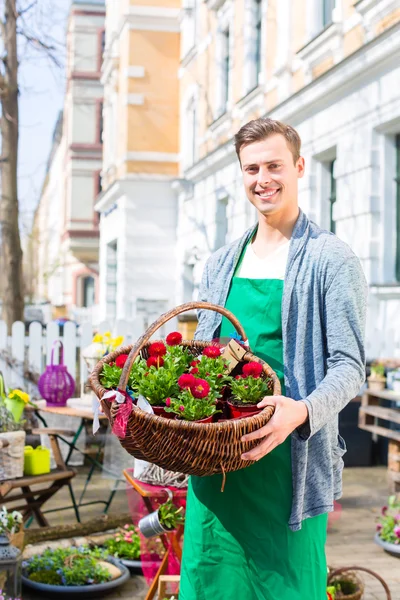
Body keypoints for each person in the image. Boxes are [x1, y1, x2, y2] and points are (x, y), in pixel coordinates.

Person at [179, 118, 367, 600]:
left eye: (274, 166)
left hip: (290, 471)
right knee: (211, 583)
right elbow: (207, 360)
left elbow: (350, 366)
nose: (263, 178)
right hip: (216, 472)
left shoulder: (331, 259)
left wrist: (301, 411)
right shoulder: (221, 262)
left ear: (300, 166)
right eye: (251, 168)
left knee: (285, 586)